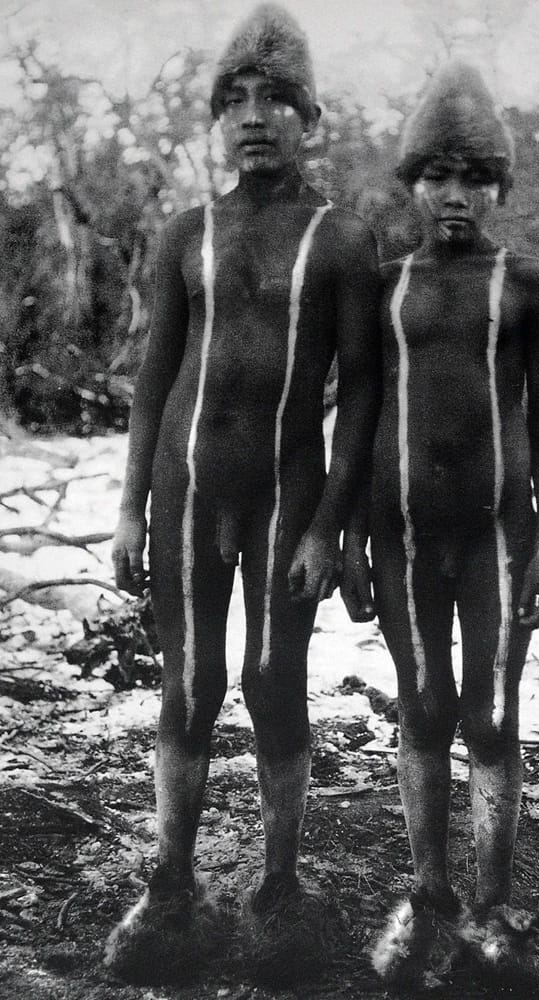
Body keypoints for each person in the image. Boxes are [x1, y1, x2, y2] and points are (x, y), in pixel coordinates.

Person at [104, 3, 379, 983]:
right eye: (236, 102)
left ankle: (277, 888)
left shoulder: (342, 240)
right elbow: (152, 376)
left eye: (277, 101)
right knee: (188, 684)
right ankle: (170, 883)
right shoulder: (188, 233)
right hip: (185, 488)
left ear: (313, 117)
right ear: (217, 121)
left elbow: (366, 393)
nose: (255, 117)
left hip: (283, 497)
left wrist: (329, 527)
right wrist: (132, 503)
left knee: (271, 682)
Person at [341, 61, 539, 993]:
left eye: (475, 179)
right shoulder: (384, 287)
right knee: (423, 703)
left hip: (495, 539)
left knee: (495, 713)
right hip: (398, 537)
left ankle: (493, 904)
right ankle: (427, 894)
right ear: (413, 184)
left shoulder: (529, 285)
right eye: (437, 177)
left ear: (501, 186)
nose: (455, 197)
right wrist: (350, 537)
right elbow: (356, 417)